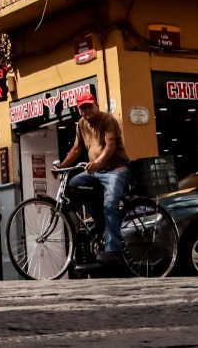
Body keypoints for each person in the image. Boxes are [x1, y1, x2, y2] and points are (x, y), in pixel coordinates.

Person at [57, 89, 129, 265]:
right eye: (83, 108)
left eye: (89, 107)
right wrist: (61, 167)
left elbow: (110, 146)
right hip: (96, 172)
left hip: (115, 169)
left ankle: (114, 251)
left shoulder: (108, 120)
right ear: (79, 110)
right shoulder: (81, 124)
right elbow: (76, 149)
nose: (87, 112)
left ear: (96, 105)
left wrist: (97, 162)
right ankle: (101, 222)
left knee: (110, 205)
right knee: (74, 184)